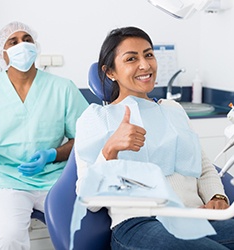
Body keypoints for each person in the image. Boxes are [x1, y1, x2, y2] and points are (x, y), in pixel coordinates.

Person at [74, 26, 234, 249]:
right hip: (139, 224)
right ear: (110, 72)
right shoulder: (96, 119)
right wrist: (110, 150)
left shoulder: (173, 109)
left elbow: (204, 167)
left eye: (148, 54)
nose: (145, 64)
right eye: (131, 58)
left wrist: (217, 197)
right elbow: (87, 198)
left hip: (195, 216)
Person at [0, 21, 88, 249]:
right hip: (3, 179)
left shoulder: (63, 88)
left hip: (54, 178)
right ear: (3, 53)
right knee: (7, 237)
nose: (22, 45)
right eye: (13, 41)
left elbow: (86, 138)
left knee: (87, 230)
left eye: (27, 39)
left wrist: (53, 154)